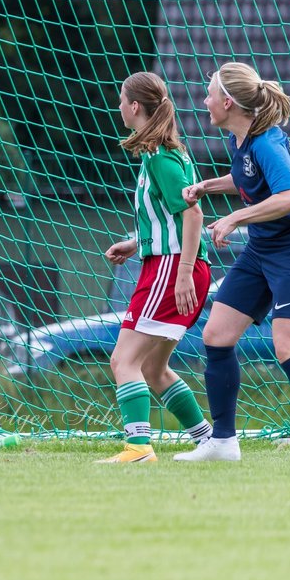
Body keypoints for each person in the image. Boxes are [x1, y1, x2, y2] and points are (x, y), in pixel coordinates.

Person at [175, 62, 290, 462]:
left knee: (287, 347)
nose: (205, 100)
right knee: (216, 336)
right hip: (262, 251)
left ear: (228, 102)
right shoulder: (240, 139)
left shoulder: (266, 140)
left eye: (210, 93)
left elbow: (289, 199)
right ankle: (223, 443)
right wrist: (207, 186)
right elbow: (247, 178)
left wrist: (233, 218)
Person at [97, 72, 213, 463]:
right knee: (152, 367)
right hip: (164, 262)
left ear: (135, 107)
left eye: (120, 99)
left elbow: (193, 216)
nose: (117, 106)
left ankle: (139, 447)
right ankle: (208, 441)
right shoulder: (156, 154)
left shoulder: (162, 157)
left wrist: (182, 274)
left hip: (171, 269)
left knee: (123, 360)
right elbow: (169, 216)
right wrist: (135, 243)